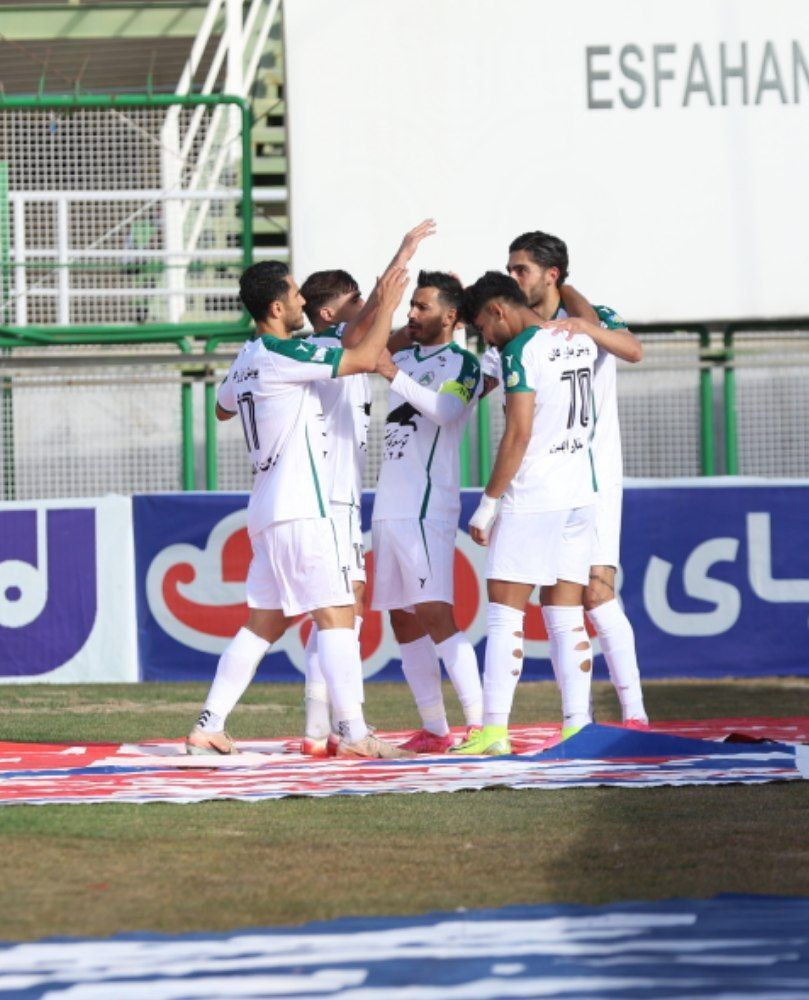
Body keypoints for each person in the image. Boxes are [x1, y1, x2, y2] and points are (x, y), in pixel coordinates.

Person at [186, 260, 412, 759]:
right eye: (293, 294)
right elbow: (363, 357)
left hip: (268, 508)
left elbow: (223, 407)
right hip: (300, 506)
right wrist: (389, 305)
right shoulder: (281, 353)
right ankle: (353, 733)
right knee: (337, 613)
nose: (301, 301)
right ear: (275, 307)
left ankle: (208, 725)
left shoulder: (249, 355)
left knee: (263, 623)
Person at [296, 221, 437, 756]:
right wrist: (400, 258)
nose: (363, 307)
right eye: (351, 300)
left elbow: (392, 337)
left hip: (343, 497)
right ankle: (329, 728)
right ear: (327, 313)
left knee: (341, 608)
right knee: (338, 608)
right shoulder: (326, 343)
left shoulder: (351, 345)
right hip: (327, 498)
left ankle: (324, 728)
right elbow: (372, 323)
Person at [506, 230, 648, 727]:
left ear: (551, 275)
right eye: (510, 269)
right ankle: (577, 719)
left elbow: (633, 350)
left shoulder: (592, 316)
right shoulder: (521, 332)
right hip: (546, 483)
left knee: (597, 592)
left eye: (521, 269)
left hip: (595, 474)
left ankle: (634, 715)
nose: (513, 277)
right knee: (557, 600)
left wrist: (585, 325)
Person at [453, 271, 598, 754]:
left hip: (535, 491)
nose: (486, 340)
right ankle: (577, 726)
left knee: (504, 612)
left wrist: (488, 503)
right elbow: (593, 322)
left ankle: (494, 731)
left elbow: (518, 434)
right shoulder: (577, 335)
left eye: (482, 328)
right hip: (579, 490)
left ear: (498, 310)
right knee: (567, 613)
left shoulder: (520, 351)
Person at [371, 271, 484, 753]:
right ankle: (435, 729)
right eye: (411, 306)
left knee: (435, 613)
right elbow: (374, 347)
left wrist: (392, 373)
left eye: (423, 307)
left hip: (426, 505)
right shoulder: (402, 355)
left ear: (451, 316)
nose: (412, 314)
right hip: (388, 505)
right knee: (401, 618)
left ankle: (482, 726)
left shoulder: (464, 364)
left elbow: (445, 411)